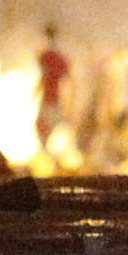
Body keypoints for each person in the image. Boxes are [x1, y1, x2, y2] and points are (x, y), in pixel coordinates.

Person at [34, 23, 72, 162]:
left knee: (46, 127)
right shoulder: (60, 57)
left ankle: (49, 158)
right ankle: (50, 158)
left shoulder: (46, 56)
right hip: (54, 100)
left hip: (51, 99)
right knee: (50, 128)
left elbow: (47, 77)